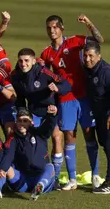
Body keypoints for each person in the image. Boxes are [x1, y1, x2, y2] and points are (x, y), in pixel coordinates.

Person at [40, 14, 104, 190]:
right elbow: (41, 70)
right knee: (69, 136)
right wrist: (51, 79)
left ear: (62, 28)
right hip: (65, 99)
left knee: (89, 133)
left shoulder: (76, 41)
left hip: (84, 96)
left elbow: (99, 40)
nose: (52, 30)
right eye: (49, 27)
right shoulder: (46, 52)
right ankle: (73, 179)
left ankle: (96, 174)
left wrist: (89, 23)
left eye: (55, 27)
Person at [11, 48, 71, 187]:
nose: (23, 64)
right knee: (35, 142)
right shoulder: (16, 76)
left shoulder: (44, 72)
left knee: (57, 138)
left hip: (51, 110)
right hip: (34, 112)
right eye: (20, 61)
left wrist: (57, 88)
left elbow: (66, 84)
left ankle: (54, 178)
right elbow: (20, 98)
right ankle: (31, 172)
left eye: (26, 61)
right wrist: (21, 111)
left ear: (33, 61)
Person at [0, 106, 58, 200]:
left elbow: (48, 126)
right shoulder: (13, 138)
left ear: (31, 122)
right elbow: (8, 156)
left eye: (25, 121)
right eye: (19, 121)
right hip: (22, 180)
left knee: (50, 167)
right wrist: (3, 169)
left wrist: (52, 115)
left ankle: (39, 187)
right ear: (16, 122)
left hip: (39, 176)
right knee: (6, 168)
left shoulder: (39, 133)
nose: (22, 124)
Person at [83, 42, 110, 194]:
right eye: (85, 56)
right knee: (105, 145)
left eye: (91, 56)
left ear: (98, 56)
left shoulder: (106, 72)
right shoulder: (88, 70)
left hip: (107, 115)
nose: (87, 59)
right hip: (99, 115)